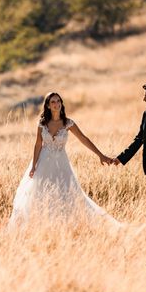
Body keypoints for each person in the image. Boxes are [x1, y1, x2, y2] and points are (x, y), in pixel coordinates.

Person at [10, 92, 120, 226]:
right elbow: (38, 144)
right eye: (53, 102)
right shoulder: (42, 123)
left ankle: (68, 224)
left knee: (67, 194)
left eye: (58, 101)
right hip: (43, 164)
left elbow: (83, 139)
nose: (56, 104)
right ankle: (41, 225)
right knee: (40, 194)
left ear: (61, 104)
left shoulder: (68, 123)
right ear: (48, 106)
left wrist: (100, 155)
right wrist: (33, 166)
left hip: (61, 164)